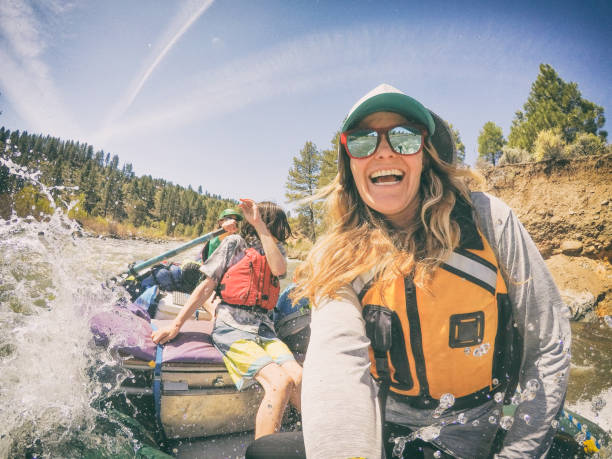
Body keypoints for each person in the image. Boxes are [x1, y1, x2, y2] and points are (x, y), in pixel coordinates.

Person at [287, 84, 570, 458]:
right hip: (385, 428)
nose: (384, 150)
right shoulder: (336, 257)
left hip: (477, 432)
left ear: (425, 154)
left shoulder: (489, 220)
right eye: (361, 141)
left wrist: (518, 453)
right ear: (349, 164)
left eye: (404, 137)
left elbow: (550, 343)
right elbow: (338, 363)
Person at [152, 199, 302, 440]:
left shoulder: (276, 249)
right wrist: (176, 325)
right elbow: (205, 287)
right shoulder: (234, 243)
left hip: (264, 329)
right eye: (278, 224)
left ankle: (316, 443)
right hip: (232, 328)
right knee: (280, 382)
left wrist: (261, 228)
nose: (282, 230)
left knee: (299, 376)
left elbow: (279, 270)